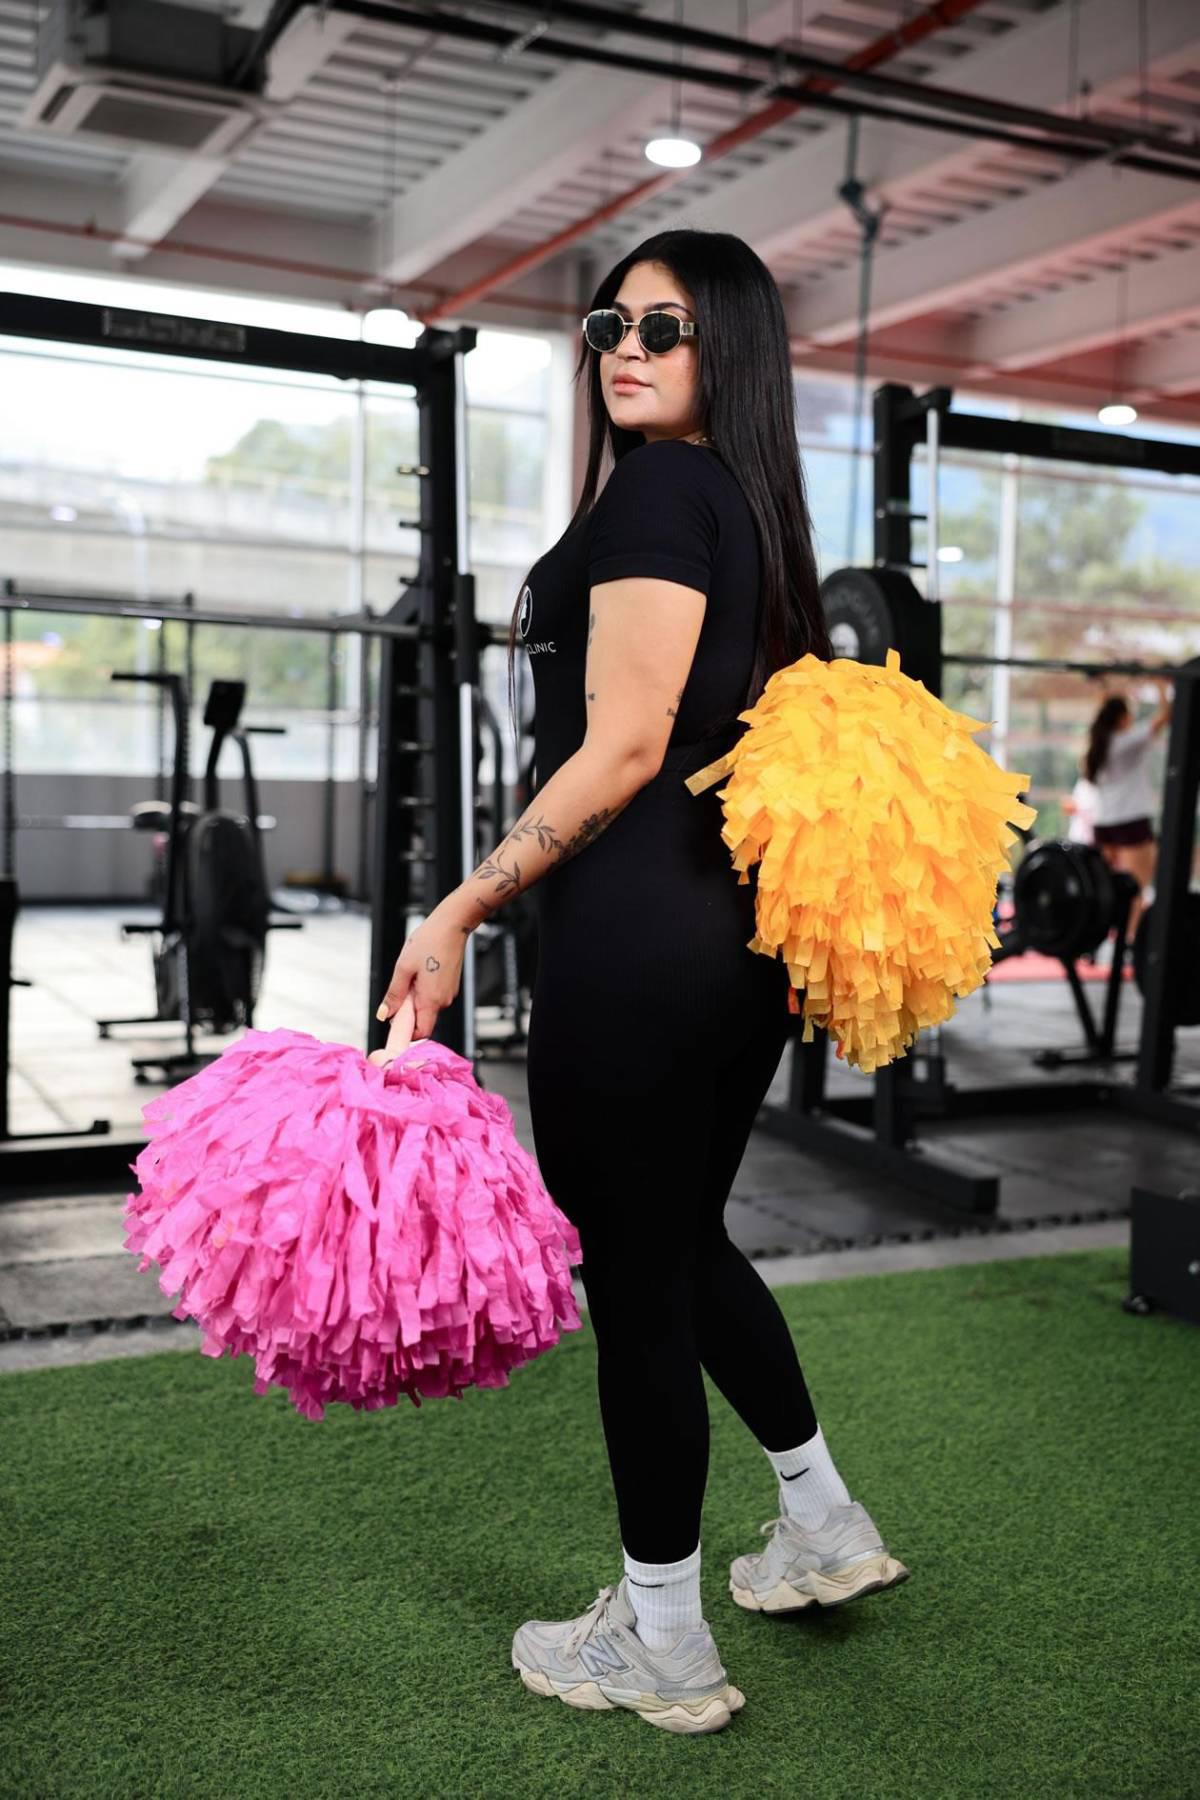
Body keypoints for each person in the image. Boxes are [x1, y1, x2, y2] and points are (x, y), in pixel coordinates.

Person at [373, 228, 907, 1737]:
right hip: (719, 949)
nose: (627, 345)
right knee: (678, 1249)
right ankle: (817, 1522)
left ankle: (660, 1638)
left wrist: (461, 905)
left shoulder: (668, 492)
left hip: (639, 945)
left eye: (666, 329)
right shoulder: (736, 502)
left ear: (724, 351)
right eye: (614, 320)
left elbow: (620, 748)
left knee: (637, 1285)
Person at [1084, 679, 1173, 944]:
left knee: (1107, 885)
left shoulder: (1098, 744)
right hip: (1130, 821)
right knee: (1137, 887)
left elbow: (1106, 709)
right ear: (1122, 718)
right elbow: (1165, 717)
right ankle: (1130, 940)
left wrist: (1108, 686)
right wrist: (1160, 687)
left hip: (1104, 823)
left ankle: (1100, 937)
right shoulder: (1126, 741)